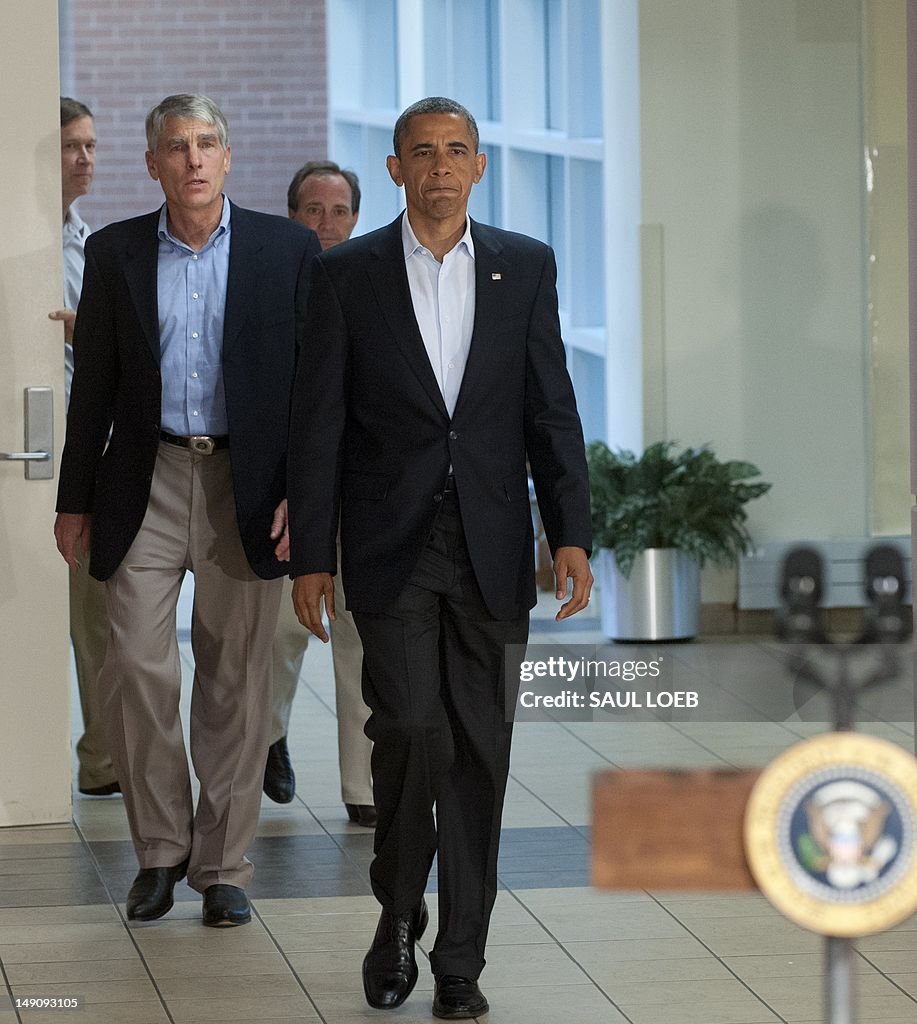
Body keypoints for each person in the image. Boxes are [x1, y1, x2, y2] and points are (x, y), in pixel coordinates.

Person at [288, 97, 593, 1019]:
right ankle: (395, 914)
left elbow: (550, 408)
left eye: (457, 150)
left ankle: (460, 961)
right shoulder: (347, 276)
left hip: (494, 550)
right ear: (394, 170)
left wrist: (570, 530)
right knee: (412, 731)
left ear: (478, 167)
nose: (440, 166)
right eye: (422, 152)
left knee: (480, 756)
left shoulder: (524, 267)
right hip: (390, 547)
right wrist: (312, 553)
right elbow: (318, 426)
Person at [54, 94, 320, 929]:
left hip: (248, 481)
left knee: (236, 677)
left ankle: (223, 865)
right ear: (154, 164)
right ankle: (161, 853)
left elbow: (315, 389)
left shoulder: (287, 250)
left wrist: (303, 495)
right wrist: (72, 502)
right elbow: (91, 383)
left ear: (229, 158)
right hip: (146, 476)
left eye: (208, 144)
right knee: (135, 665)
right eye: (177, 147)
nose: (194, 160)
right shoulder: (116, 251)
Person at [264, 162, 376, 829]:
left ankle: (362, 787)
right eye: (312, 209)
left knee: (360, 635)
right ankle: (270, 734)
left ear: (356, 217)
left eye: (337, 210)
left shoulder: (377, 284)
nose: (325, 223)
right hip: (290, 493)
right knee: (279, 630)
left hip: (362, 491)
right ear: (291, 216)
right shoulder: (271, 287)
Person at [47, 98, 119, 798]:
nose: (86, 158)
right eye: (73, 146)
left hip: (87, 451)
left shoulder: (82, 236)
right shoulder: (32, 240)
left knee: (98, 613)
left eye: (92, 145)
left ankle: (101, 760)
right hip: (41, 449)